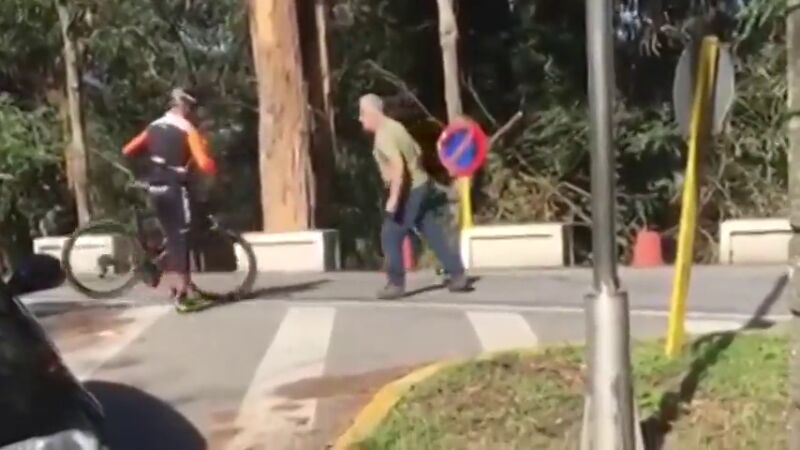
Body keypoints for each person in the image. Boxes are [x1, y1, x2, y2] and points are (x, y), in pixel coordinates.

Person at [358, 93, 470, 299]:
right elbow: (417, 151)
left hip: (410, 190)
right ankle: (457, 274)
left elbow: (398, 167)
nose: (360, 119)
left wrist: (394, 198)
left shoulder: (383, 135)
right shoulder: (396, 127)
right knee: (433, 231)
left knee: (391, 233)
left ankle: (395, 284)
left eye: (362, 114)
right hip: (422, 184)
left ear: (371, 113)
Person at [120, 88, 217, 312]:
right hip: (175, 186)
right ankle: (182, 296)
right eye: (190, 108)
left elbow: (128, 150)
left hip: (155, 185)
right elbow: (203, 163)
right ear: (185, 107)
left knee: (170, 233)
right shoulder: (187, 129)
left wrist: (145, 170)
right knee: (179, 237)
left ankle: (179, 284)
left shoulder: (153, 126)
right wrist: (211, 164)